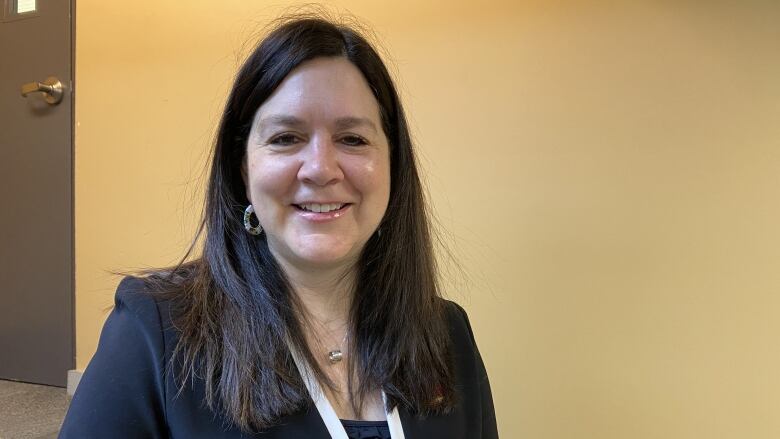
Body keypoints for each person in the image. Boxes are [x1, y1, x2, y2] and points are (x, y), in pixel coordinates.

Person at [59, 14, 498, 439]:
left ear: (392, 166)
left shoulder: (447, 332)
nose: (321, 169)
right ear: (243, 170)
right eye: (286, 138)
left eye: (353, 139)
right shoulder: (155, 332)